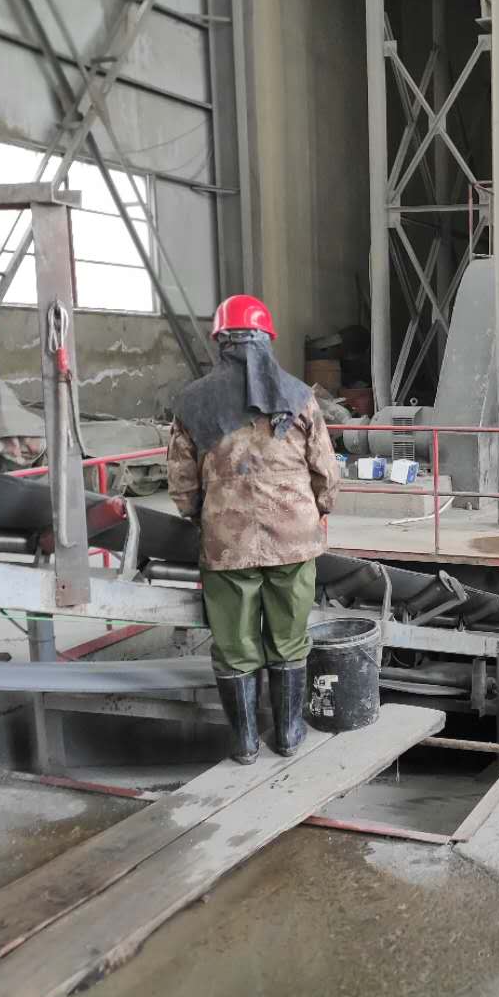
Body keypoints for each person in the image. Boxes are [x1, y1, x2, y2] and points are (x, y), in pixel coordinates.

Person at [168, 295, 340, 764]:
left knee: (235, 646)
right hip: (294, 540)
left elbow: (181, 483)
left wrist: (202, 516)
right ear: (267, 341)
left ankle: (244, 743)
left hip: (227, 543)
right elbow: (326, 472)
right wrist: (318, 509)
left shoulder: (192, 401)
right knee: (289, 638)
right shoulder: (299, 396)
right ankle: (288, 736)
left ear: (220, 341)